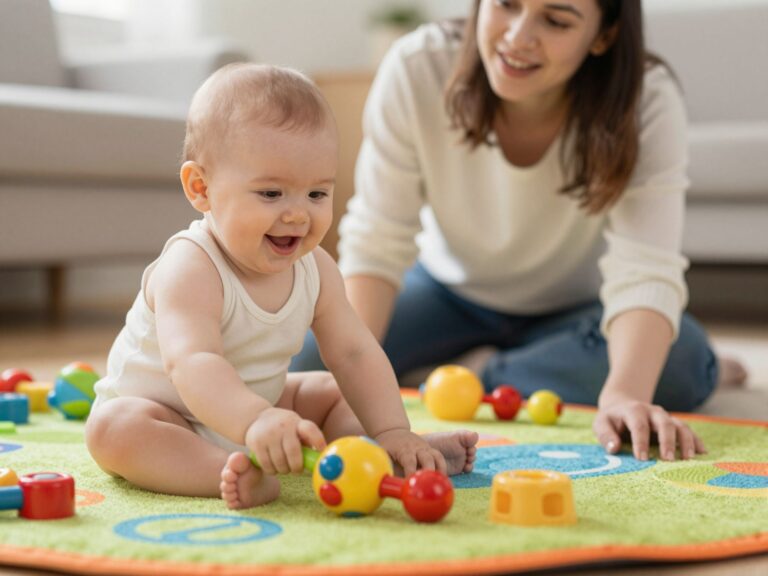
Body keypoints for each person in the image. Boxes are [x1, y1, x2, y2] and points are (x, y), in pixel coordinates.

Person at [291, 0, 748, 463]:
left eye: (555, 20)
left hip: (579, 308)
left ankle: (476, 373)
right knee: (304, 362)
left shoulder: (646, 97)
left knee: (682, 363)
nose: (517, 36)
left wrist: (625, 394)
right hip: (444, 290)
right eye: (506, 5)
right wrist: (351, 375)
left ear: (604, 34)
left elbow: (645, 268)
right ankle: (507, 371)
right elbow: (377, 240)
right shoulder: (419, 65)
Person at [85, 63, 477, 510]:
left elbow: (354, 352)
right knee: (113, 429)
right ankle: (224, 471)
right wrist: (254, 420)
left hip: (263, 407)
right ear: (201, 189)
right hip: (170, 416)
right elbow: (192, 361)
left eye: (317, 194)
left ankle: (382, 454)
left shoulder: (316, 268)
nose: (297, 215)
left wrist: (394, 428)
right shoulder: (191, 266)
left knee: (333, 390)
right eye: (271, 194)